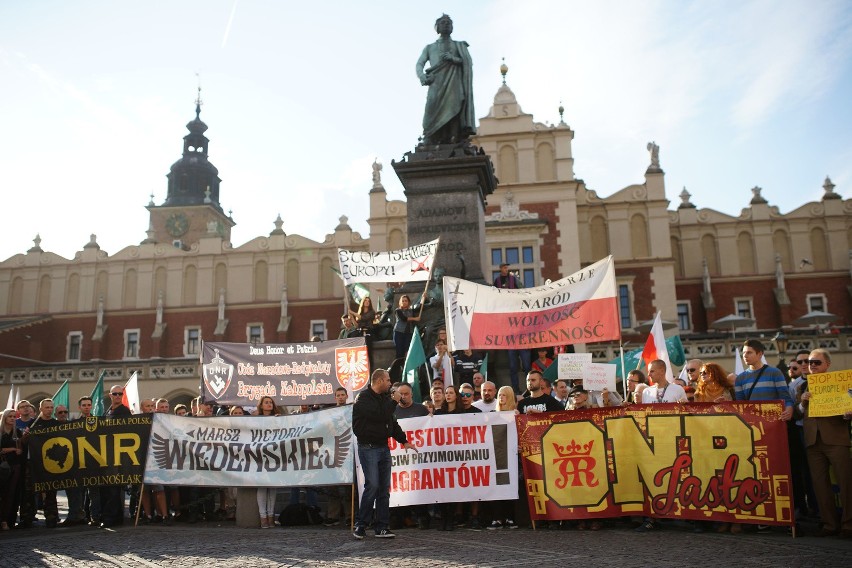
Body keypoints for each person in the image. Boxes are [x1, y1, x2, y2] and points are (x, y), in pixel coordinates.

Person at [352, 369, 416, 539]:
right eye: (388, 380)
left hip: (383, 447)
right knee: (372, 485)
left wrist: (404, 440)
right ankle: (361, 524)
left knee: (383, 489)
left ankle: (382, 526)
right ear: (379, 381)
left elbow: (391, 422)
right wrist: (394, 402)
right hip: (368, 448)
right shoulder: (363, 398)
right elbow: (379, 415)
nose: (390, 383)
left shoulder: (386, 400)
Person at [799, 349, 851, 538]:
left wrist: (848, 414)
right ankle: (829, 524)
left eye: (816, 363)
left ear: (827, 364)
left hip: (836, 439)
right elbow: (797, 414)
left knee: (846, 483)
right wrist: (802, 403)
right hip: (813, 442)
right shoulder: (802, 387)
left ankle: (848, 524)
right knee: (820, 485)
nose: (811, 366)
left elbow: (849, 406)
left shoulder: (841, 384)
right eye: (810, 362)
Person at [416, 14, 475, 145]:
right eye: (443, 22)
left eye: (449, 22)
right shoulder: (430, 47)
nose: (446, 24)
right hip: (436, 82)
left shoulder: (459, 46)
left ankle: (454, 137)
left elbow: (467, 62)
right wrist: (422, 76)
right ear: (437, 27)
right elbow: (419, 64)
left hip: (454, 82)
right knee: (430, 110)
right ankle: (430, 137)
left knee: (455, 106)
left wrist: (453, 59)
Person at [492, 263, 529, 392]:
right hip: (511, 341)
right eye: (504, 268)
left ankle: (527, 388)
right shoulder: (497, 280)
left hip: (521, 341)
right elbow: (494, 293)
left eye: (507, 268)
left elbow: (522, 288)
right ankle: (516, 388)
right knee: (513, 366)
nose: (506, 269)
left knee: (526, 366)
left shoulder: (513, 279)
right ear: (500, 269)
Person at [256, 395, 282, 528]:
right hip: (260, 456)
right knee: (262, 486)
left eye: (271, 402)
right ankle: (263, 517)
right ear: (261, 405)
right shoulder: (255, 420)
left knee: (272, 486)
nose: (269, 404)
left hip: (274, 455)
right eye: (266, 402)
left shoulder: (278, 418)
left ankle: (271, 516)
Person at [0, 408, 23, 531]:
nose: (13, 418)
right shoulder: (0, 432)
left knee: (11, 494)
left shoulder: (17, 432)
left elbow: (21, 447)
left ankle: (6, 520)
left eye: (14, 416)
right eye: (10, 416)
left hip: (15, 466)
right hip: (2, 466)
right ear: (5, 418)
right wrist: (13, 449)